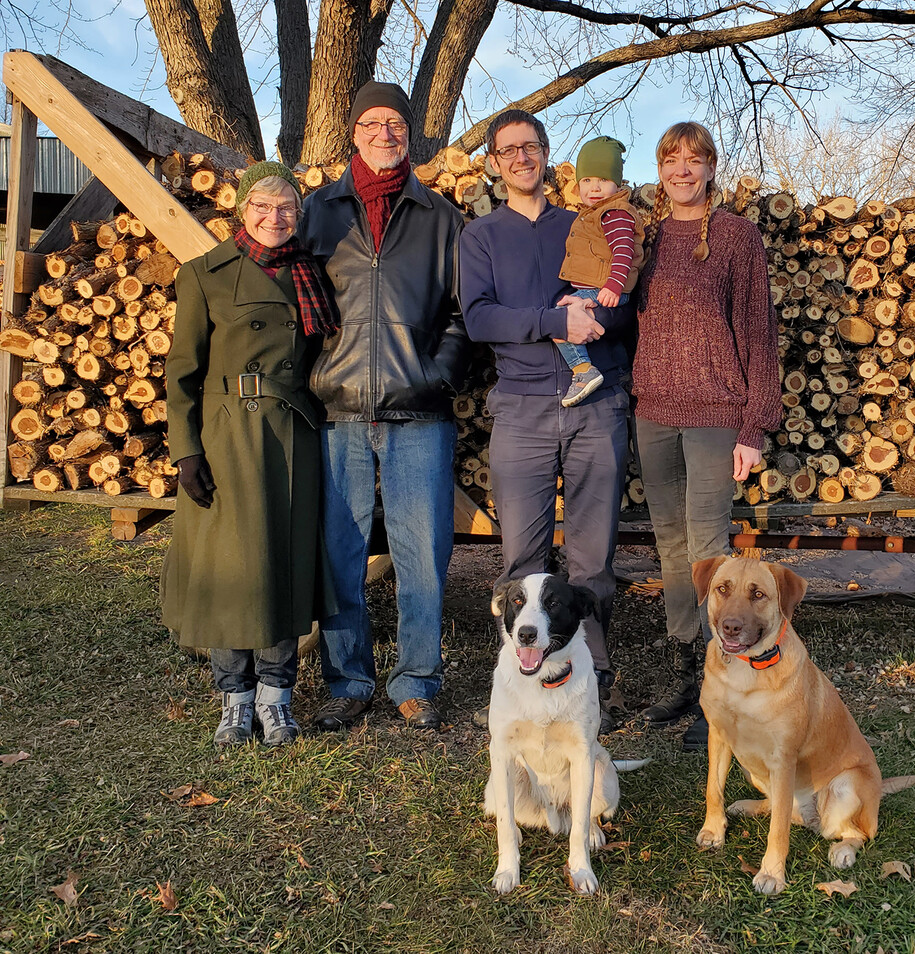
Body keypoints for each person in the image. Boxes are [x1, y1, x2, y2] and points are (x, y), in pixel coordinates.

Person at [298, 81, 469, 731]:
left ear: (410, 132)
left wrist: (438, 374)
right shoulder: (319, 213)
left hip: (419, 410)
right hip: (336, 410)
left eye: (394, 122)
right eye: (370, 122)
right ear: (353, 132)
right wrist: (313, 374)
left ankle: (417, 678)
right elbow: (294, 306)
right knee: (340, 550)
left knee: (421, 555)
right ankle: (347, 679)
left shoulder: (442, 217)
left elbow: (463, 314)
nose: (383, 133)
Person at [459, 110, 633, 731]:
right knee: (521, 559)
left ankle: (592, 681)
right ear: (494, 163)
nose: (521, 158)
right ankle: (521, 678)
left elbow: (623, 295)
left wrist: (598, 320)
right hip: (523, 407)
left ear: (546, 152)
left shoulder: (582, 224)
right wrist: (554, 322)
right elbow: (480, 319)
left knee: (591, 561)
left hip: (596, 404)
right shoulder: (480, 237)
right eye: (508, 151)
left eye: (530, 146)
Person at [162, 160, 337, 747]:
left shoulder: (314, 275)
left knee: (282, 565)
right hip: (227, 437)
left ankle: (276, 697)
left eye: (285, 206)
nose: (274, 217)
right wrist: (186, 450)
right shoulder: (204, 275)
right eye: (261, 206)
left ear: (298, 213)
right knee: (230, 568)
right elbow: (182, 372)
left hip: (293, 436)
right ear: (241, 210)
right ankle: (234, 700)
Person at [632, 122, 781, 749]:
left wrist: (755, 425)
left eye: (695, 160)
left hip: (717, 413)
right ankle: (681, 669)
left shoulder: (737, 239)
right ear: (660, 169)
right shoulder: (641, 238)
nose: (683, 170)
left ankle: (717, 688)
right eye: (672, 160)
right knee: (669, 547)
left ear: (712, 168)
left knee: (707, 550)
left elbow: (758, 332)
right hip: (653, 410)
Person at [555, 136, 645, 407]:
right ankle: (584, 369)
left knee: (559, 320)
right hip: (599, 286)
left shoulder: (613, 213)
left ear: (617, 183)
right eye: (587, 180)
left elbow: (623, 251)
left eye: (603, 180)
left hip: (606, 287)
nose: (594, 188)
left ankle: (583, 371)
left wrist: (613, 286)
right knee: (563, 314)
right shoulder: (596, 212)